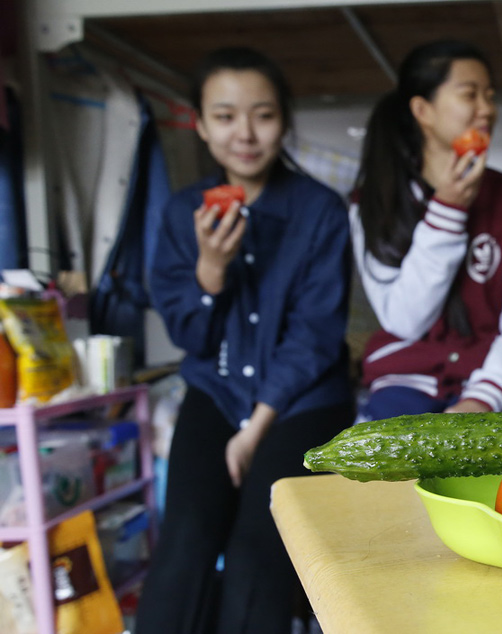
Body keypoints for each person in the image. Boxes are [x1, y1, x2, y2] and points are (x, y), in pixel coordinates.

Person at [136, 47, 354, 634]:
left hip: (303, 399)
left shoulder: (320, 211)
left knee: (260, 552)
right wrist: (209, 270)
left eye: (262, 114)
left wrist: (256, 428)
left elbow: (316, 335)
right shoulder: (185, 212)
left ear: (284, 120)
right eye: (226, 116)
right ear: (202, 125)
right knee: (184, 542)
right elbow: (190, 336)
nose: (246, 134)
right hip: (218, 390)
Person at [351, 39, 502, 420]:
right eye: (470, 95)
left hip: (500, 385)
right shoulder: (373, 202)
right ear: (422, 110)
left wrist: (481, 398)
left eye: (490, 96)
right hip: (403, 379)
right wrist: (447, 213)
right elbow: (403, 320)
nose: (487, 110)